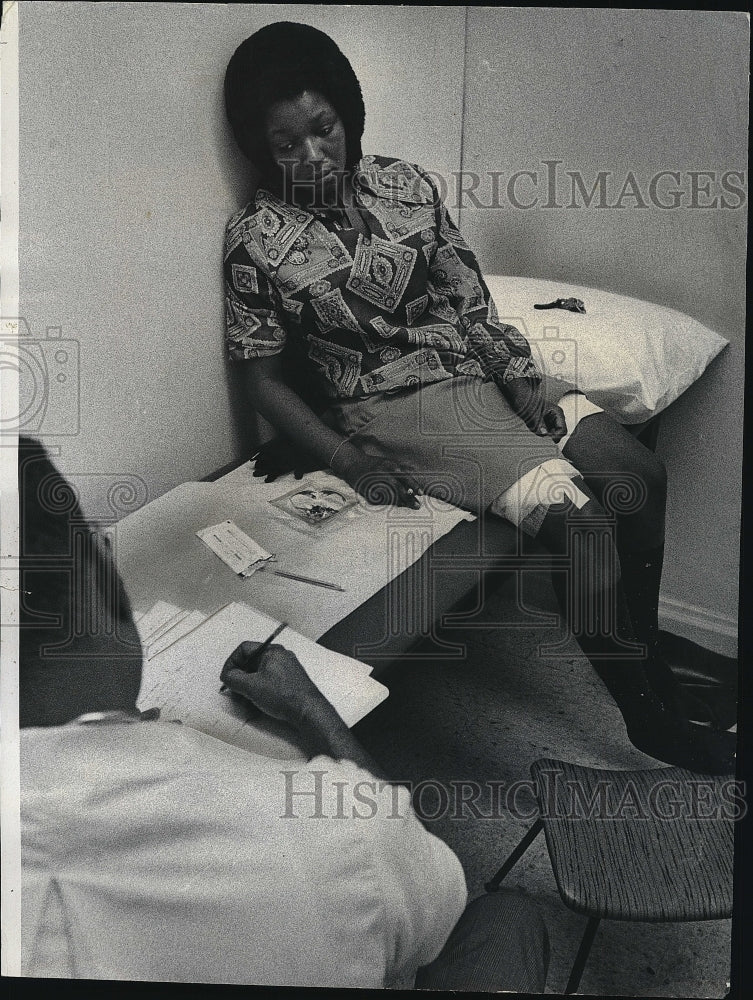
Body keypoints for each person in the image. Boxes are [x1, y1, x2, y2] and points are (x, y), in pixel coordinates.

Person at [221, 21, 735, 775]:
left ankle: (645, 648)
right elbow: (262, 381)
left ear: (347, 115)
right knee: (581, 523)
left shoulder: (405, 184)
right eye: (285, 144)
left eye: (323, 129)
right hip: (394, 406)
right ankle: (648, 717)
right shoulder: (255, 239)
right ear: (259, 148)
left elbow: (467, 303)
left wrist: (518, 375)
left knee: (637, 477)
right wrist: (349, 460)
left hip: (479, 373)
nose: (312, 157)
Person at [17, 436, 550, 991]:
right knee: (507, 917)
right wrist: (311, 708)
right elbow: (431, 899)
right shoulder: (337, 837)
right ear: (102, 582)